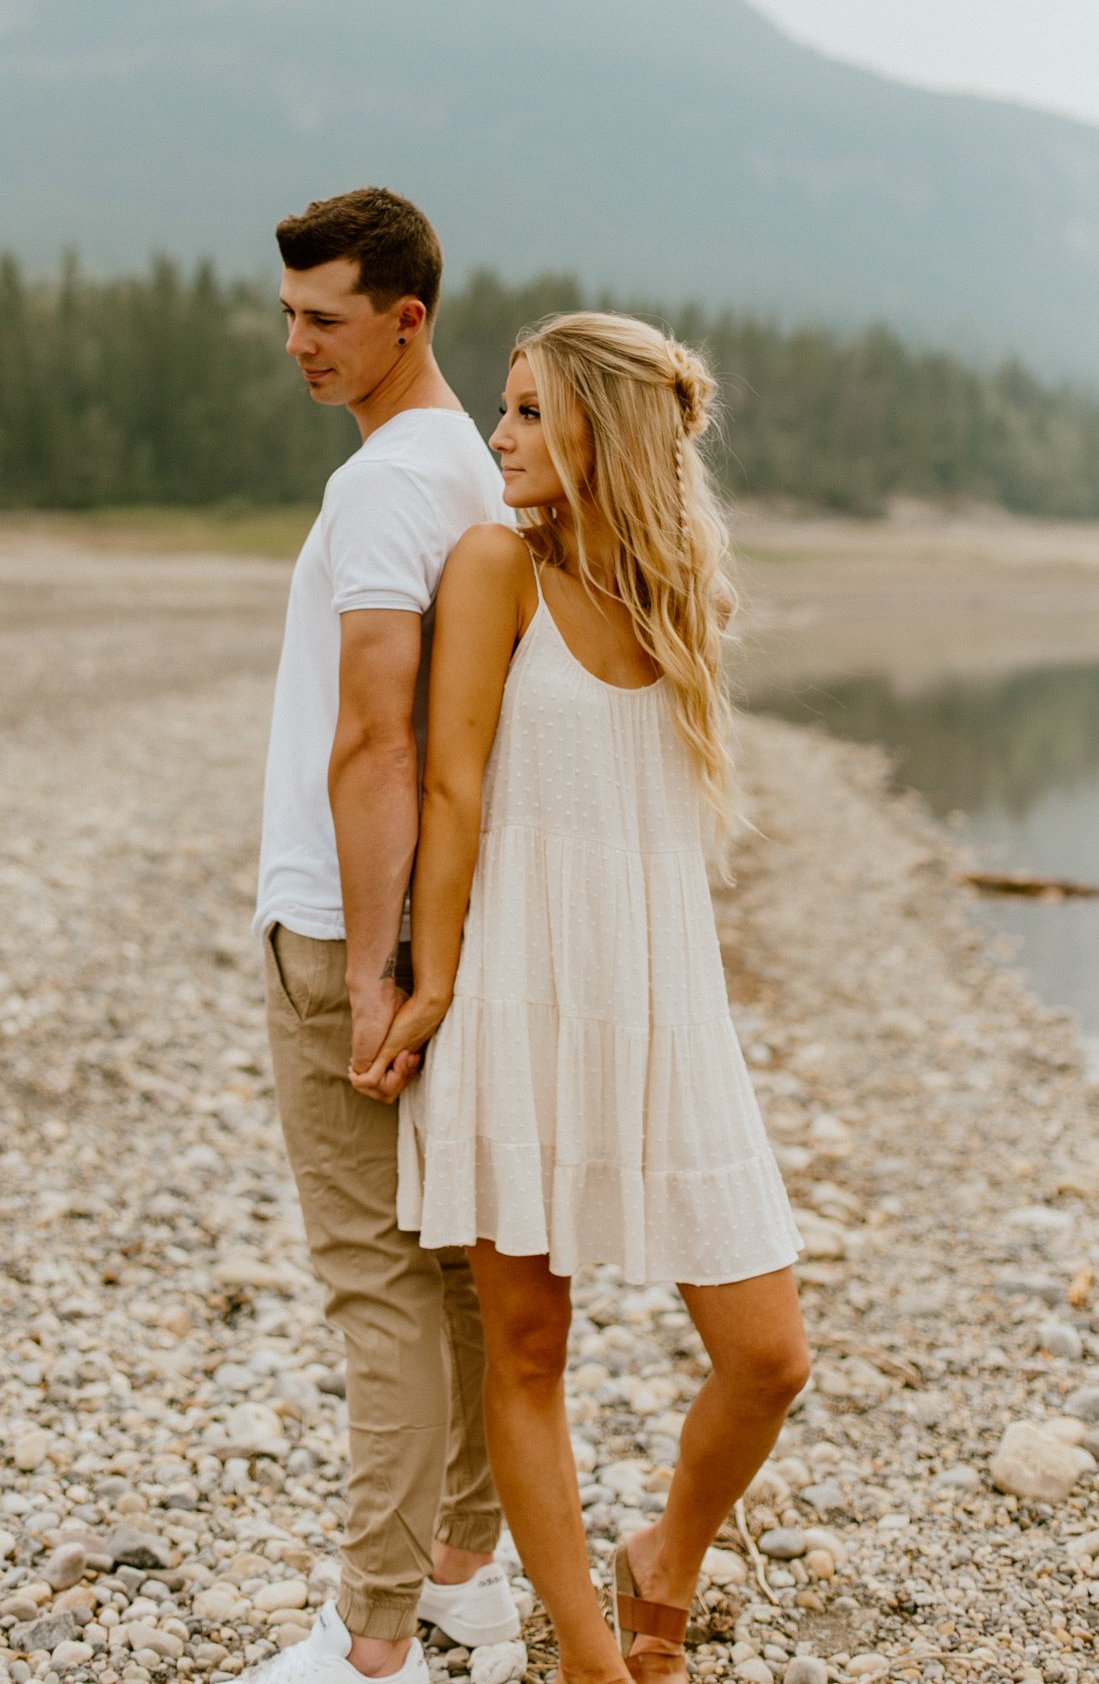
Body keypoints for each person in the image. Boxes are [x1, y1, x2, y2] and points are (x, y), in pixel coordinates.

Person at [353, 313, 810, 1684]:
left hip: (667, 1007)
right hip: (513, 993)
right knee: (530, 1346)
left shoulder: (685, 599)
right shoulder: (495, 564)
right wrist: (427, 982)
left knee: (768, 1354)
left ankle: (668, 1548)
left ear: (606, 430)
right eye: (503, 410)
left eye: (530, 414)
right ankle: (592, 1664)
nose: (498, 438)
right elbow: (448, 784)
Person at [251, 189, 520, 1684]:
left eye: (326, 319)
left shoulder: (386, 487)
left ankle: (372, 1643)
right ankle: (468, 1576)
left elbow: (376, 739)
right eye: (288, 312)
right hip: (435, 924)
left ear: (406, 319)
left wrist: (361, 970)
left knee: (378, 1287)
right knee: (452, 1275)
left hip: (340, 926)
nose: (296, 342)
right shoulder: (465, 467)